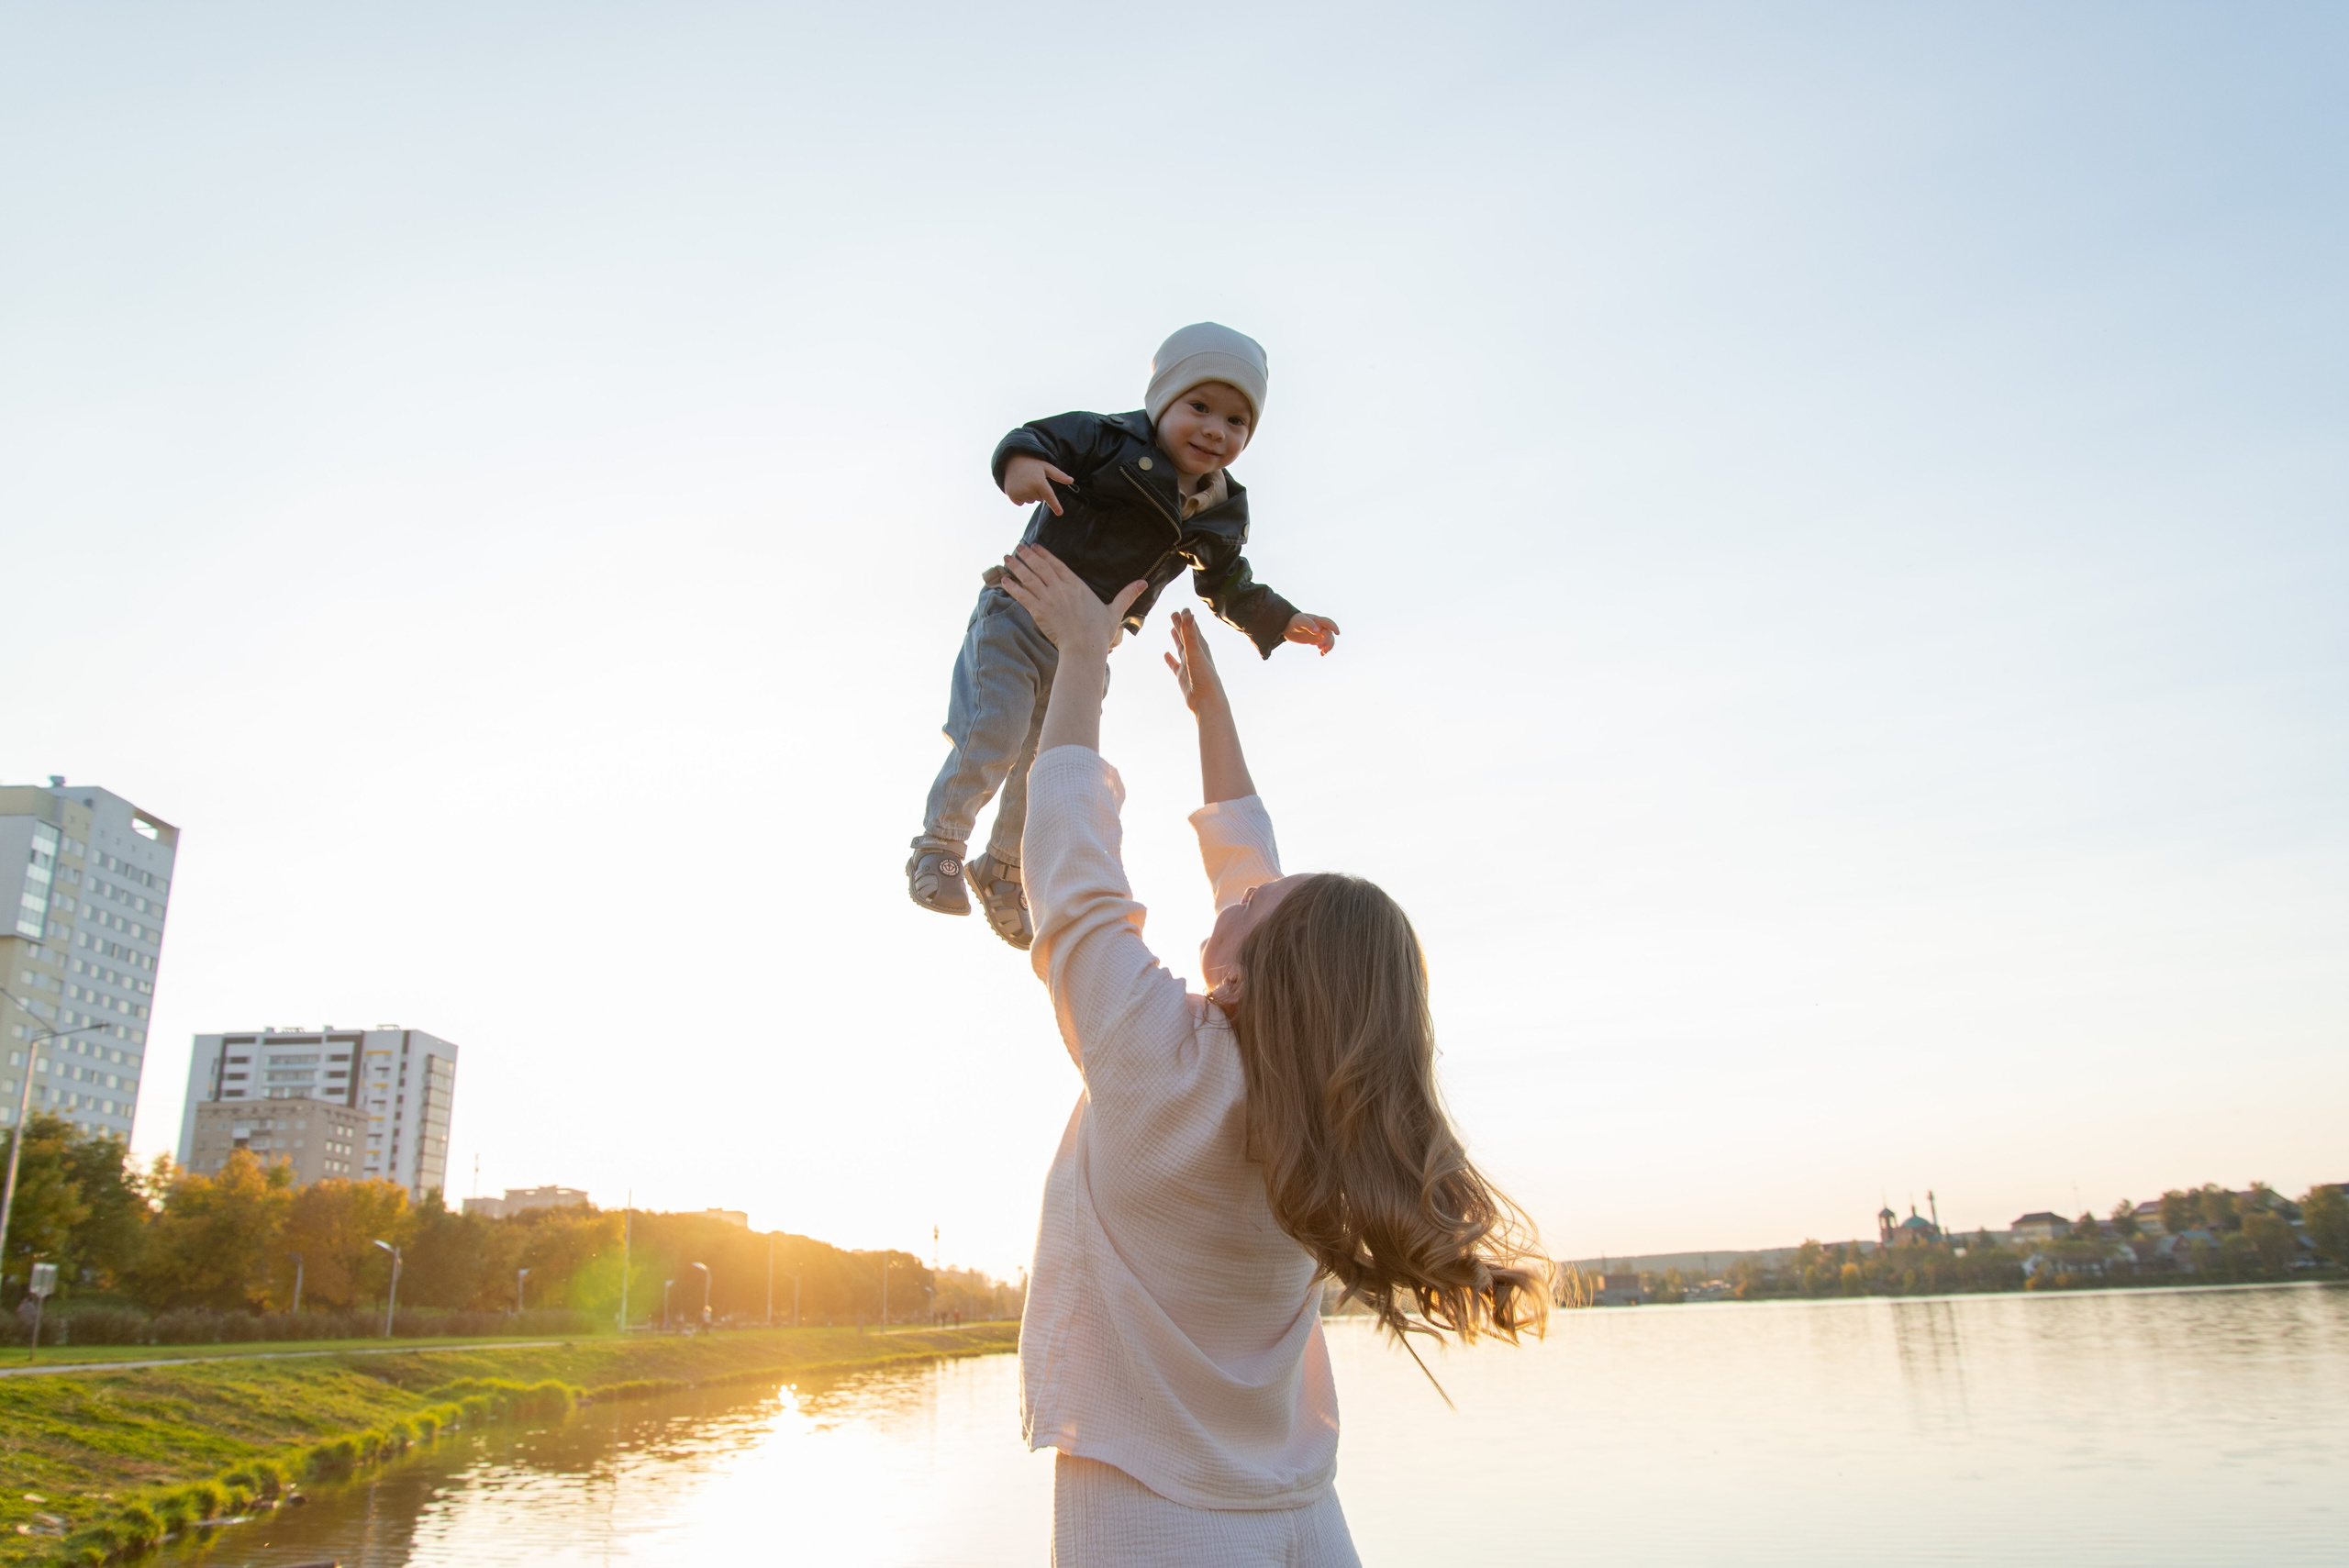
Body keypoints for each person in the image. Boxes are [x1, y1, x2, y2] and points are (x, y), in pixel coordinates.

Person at [995, 543, 1548, 1566]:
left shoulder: (1161, 1065)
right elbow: (1254, 871)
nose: (1239, 886)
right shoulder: (1329, 1116)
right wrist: (1212, 716)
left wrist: (1081, 660)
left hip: (1152, 1503)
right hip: (1300, 1506)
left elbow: (1071, 873)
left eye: (1249, 905)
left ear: (1257, 981)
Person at [907, 322, 1342, 950]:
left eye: (1237, 422)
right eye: (1199, 407)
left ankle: (1002, 869)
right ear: (1163, 401)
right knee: (995, 732)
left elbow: (1226, 583)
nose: (1216, 431)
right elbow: (1033, 438)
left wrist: (1280, 618)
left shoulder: (1221, 509)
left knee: (1049, 764)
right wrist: (1022, 467)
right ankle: (940, 845)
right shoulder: (1109, 438)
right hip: (1019, 613)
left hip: (1085, 649)